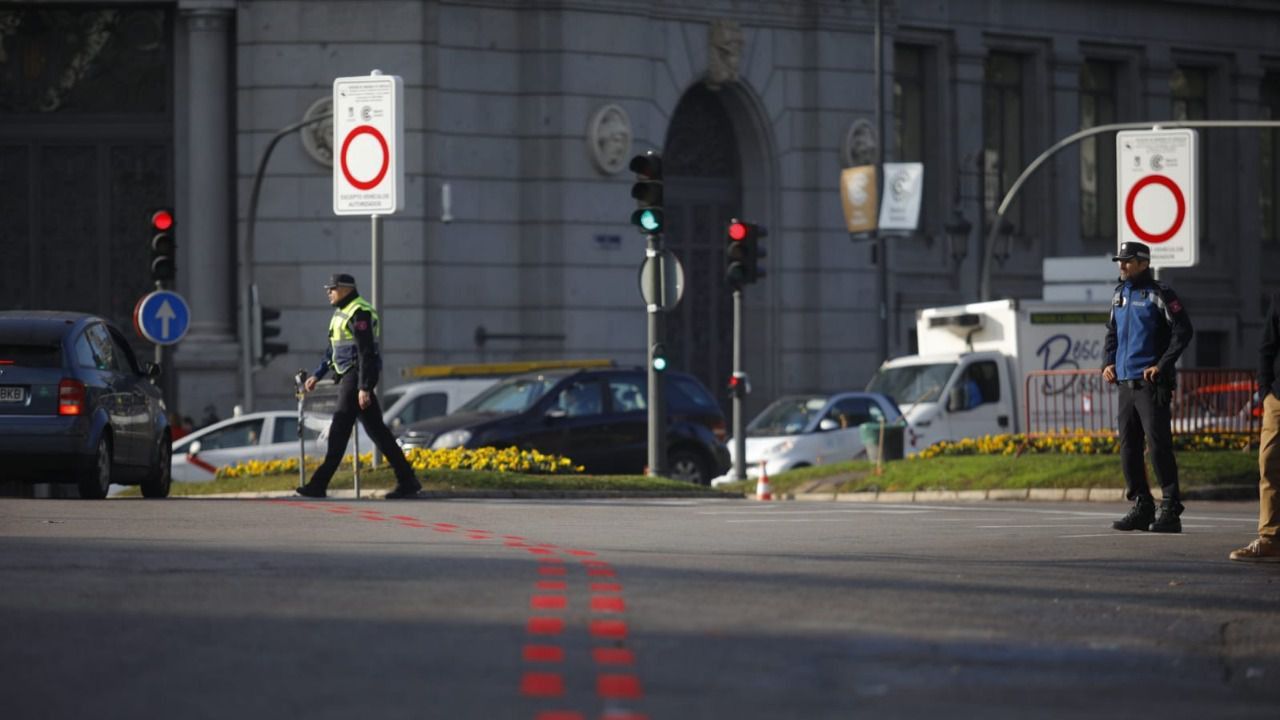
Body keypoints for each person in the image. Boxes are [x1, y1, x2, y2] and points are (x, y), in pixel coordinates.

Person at [296, 273, 422, 500]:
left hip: (355, 377)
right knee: (379, 433)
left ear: (345, 289)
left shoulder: (359, 312)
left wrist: (365, 387)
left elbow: (366, 353)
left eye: (332, 288)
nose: (328, 292)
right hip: (350, 376)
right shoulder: (340, 314)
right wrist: (317, 374)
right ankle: (408, 480)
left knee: (339, 429)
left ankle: (318, 484)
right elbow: (332, 351)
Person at [1102, 241, 1194, 533]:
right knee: (1128, 448)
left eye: (1127, 261)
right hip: (1125, 384)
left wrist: (1163, 365)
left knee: (1158, 446)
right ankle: (1142, 504)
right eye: (1120, 261)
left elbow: (1183, 331)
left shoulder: (1160, 294)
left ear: (1143, 263)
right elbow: (1112, 334)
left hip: (1151, 384)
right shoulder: (1119, 296)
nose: (1122, 266)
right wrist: (1107, 362)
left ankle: (1170, 508)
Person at [1230, 291, 1280, 561]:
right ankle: (1270, 538)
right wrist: (1265, 393)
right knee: (1269, 463)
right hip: (1278, 399)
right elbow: (1267, 347)